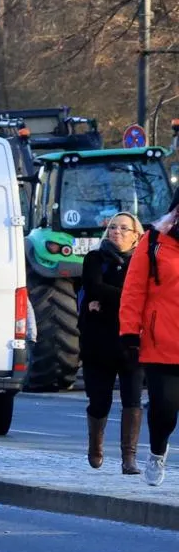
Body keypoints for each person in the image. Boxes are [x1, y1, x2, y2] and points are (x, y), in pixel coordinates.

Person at [118, 202, 179, 486]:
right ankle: (157, 451)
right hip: (161, 342)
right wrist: (130, 333)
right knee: (164, 408)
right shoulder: (154, 242)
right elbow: (133, 289)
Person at [83, 213, 144, 474]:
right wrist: (130, 298)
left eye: (123, 228)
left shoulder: (142, 263)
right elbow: (94, 287)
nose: (116, 232)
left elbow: (148, 294)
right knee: (100, 401)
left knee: (133, 399)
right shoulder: (95, 258)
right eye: (113, 227)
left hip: (131, 342)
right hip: (98, 343)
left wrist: (107, 301)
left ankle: (128, 458)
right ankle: (95, 446)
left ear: (136, 235)